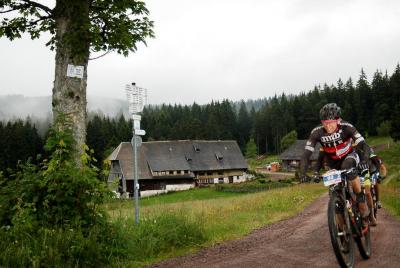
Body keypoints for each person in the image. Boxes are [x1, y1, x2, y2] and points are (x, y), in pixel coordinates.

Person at [299, 103, 371, 227]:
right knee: (334, 192)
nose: (328, 126)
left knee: (348, 167)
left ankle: (361, 200)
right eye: (325, 123)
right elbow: (306, 155)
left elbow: (364, 145)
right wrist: (303, 173)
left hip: (349, 156)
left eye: (331, 122)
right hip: (333, 163)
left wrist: (364, 160)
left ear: (338, 120)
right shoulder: (316, 132)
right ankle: (341, 232)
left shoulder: (347, 127)